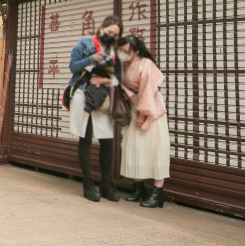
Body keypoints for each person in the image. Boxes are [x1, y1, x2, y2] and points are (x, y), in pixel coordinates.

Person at [68, 15, 123, 202]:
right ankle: (88, 183)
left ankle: (106, 183)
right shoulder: (84, 43)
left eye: (115, 35)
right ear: (101, 29)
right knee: (86, 138)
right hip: (83, 93)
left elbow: (120, 78)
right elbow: (73, 66)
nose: (111, 36)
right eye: (109, 32)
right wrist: (92, 58)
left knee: (107, 140)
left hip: (103, 98)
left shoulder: (115, 52)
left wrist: (104, 80)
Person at [116, 35, 171, 208]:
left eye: (126, 51)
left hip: (151, 108)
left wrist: (143, 115)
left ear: (136, 51)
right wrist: (126, 90)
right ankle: (138, 188)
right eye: (121, 50)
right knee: (136, 148)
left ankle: (157, 192)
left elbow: (149, 91)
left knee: (155, 149)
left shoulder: (146, 64)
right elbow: (116, 78)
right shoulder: (124, 65)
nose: (123, 53)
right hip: (136, 106)